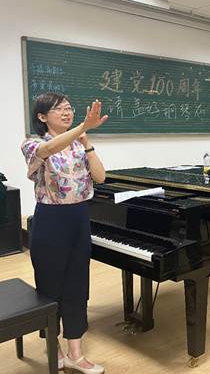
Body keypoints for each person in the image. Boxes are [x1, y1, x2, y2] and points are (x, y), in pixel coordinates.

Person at [21, 93, 108, 374]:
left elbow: (100, 177)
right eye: (59, 109)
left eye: (69, 108)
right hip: (50, 219)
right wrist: (83, 126)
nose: (67, 112)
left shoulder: (80, 144)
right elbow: (48, 150)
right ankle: (54, 348)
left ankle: (76, 354)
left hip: (79, 217)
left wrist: (87, 142)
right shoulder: (32, 143)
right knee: (50, 287)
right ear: (42, 116)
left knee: (77, 286)